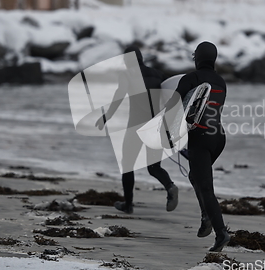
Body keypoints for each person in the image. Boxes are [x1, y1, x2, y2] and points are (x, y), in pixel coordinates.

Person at [96, 46, 178, 214]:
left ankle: (128, 204)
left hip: (136, 125)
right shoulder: (158, 74)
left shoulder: (127, 74)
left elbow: (119, 95)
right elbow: (172, 95)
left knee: (127, 166)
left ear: (127, 60)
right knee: (154, 167)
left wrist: (107, 116)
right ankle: (170, 186)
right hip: (155, 126)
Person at [167, 41, 229, 252]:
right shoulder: (221, 81)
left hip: (200, 139)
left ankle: (221, 233)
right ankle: (206, 216)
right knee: (196, 176)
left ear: (197, 58)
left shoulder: (190, 78)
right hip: (218, 137)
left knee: (206, 187)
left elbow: (173, 104)